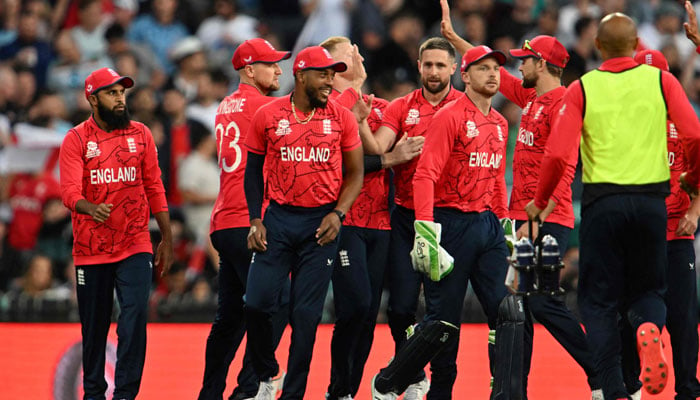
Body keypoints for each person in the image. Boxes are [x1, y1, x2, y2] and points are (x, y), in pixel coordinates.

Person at [525, 12, 700, 400]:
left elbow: (556, 155)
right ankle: (649, 334)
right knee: (650, 295)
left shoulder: (585, 87)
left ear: (599, 46)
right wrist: (693, 183)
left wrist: (540, 201)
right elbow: (695, 135)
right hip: (654, 207)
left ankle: (615, 388)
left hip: (604, 203)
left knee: (600, 303)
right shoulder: (662, 84)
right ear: (636, 44)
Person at [438, 2, 602, 398]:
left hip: (547, 218)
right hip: (520, 219)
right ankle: (514, 390)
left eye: (524, 61)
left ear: (541, 64)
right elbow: (487, 70)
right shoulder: (532, 100)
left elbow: (563, 165)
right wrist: (455, 39)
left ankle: (603, 373)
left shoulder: (564, 103)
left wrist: (537, 217)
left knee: (541, 304)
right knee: (518, 309)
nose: (517, 68)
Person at [243, 45, 364, 400]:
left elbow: (355, 173)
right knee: (255, 303)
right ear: (300, 75)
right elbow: (252, 173)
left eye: (333, 75)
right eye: (324, 74)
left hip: (320, 223)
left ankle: (293, 394)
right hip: (278, 219)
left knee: (306, 317)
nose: (330, 82)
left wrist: (338, 214)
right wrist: (255, 218)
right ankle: (267, 372)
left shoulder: (341, 117)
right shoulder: (268, 114)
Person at [59, 67, 174, 400]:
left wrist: (165, 237)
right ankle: (93, 393)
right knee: (94, 330)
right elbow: (67, 191)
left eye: (122, 92)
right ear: (92, 99)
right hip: (91, 247)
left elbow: (155, 186)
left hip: (135, 242)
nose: (120, 98)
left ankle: (125, 394)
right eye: (112, 93)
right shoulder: (76, 139)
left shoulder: (141, 134)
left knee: (135, 316)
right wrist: (88, 207)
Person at [320, 36, 424, 400]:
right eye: (349, 53)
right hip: (344, 219)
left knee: (367, 315)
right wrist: (391, 160)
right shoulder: (328, 106)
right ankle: (337, 389)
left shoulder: (380, 106)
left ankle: (347, 391)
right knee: (356, 305)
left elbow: (388, 145)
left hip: (381, 221)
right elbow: (341, 163)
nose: (359, 55)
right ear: (332, 69)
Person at [359, 36, 463, 398]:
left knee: (442, 310)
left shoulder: (467, 108)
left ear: (454, 68)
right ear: (419, 66)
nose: (433, 71)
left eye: (440, 65)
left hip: (450, 218)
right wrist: (374, 137)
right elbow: (377, 148)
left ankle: (439, 383)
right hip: (405, 217)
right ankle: (413, 373)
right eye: (428, 64)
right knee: (401, 307)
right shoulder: (401, 107)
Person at [197, 38, 292, 400]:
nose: (279, 70)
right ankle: (249, 389)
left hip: (224, 221)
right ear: (250, 70)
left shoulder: (226, 104)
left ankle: (210, 393)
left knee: (230, 316)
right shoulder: (266, 108)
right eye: (271, 64)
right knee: (277, 302)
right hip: (250, 221)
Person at [623, 46, 700, 400]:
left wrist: (695, 210)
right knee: (683, 317)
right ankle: (684, 389)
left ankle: (631, 386)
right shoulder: (682, 121)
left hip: (654, 232)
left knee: (633, 310)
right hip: (666, 232)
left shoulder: (622, 123)